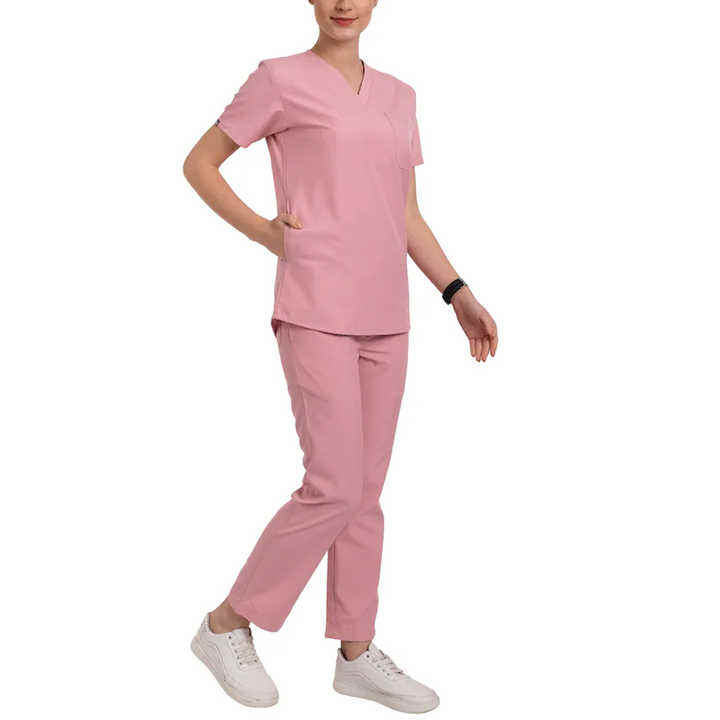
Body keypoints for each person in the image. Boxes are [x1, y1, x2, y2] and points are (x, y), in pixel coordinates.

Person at [182, 0, 498, 712]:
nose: (344, 3)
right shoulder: (279, 79)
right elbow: (200, 164)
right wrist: (266, 232)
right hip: (316, 304)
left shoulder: (400, 97)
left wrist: (456, 291)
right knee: (333, 484)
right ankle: (226, 623)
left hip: (388, 314)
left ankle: (356, 650)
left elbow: (404, 212)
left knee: (365, 493)